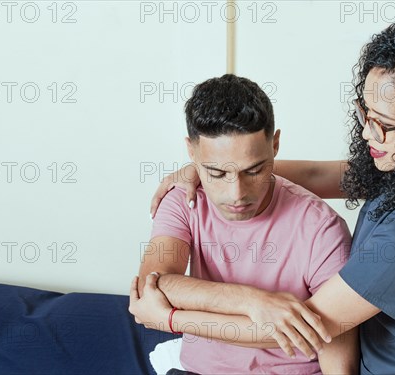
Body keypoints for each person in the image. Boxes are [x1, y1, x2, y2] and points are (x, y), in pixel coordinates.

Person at [146, 21, 395, 374]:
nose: (368, 134)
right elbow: (315, 174)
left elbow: (309, 323)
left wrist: (170, 318)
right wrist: (215, 167)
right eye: (366, 114)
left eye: (386, 125)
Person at [129, 74, 357, 374]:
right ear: (191, 152)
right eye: (217, 173)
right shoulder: (183, 200)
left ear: (275, 145)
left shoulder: (321, 228)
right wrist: (253, 301)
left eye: (254, 170)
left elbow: (334, 349)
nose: (236, 194)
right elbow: (155, 285)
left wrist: (174, 318)